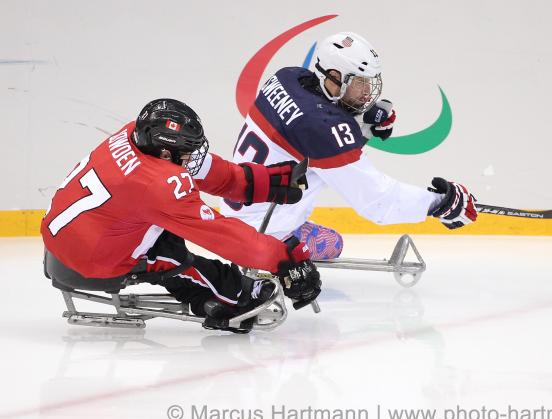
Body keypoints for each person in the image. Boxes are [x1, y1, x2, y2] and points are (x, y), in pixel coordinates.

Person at [41, 98, 321, 333]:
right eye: (187, 152)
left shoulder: (133, 135)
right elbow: (224, 236)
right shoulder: (157, 185)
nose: (192, 157)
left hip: (75, 236)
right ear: (165, 151)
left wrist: (261, 181)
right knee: (173, 258)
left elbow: (206, 172)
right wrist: (284, 260)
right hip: (91, 262)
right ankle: (233, 296)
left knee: (164, 227)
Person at [221, 32, 478, 260]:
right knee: (333, 243)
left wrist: (359, 123)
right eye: (359, 82)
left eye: (369, 82)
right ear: (334, 77)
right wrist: (439, 203)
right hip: (261, 233)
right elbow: (377, 201)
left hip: (238, 214)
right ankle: (272, 252)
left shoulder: (288, 76)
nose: (367, 92)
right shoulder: (323, 129)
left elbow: (308, 124)